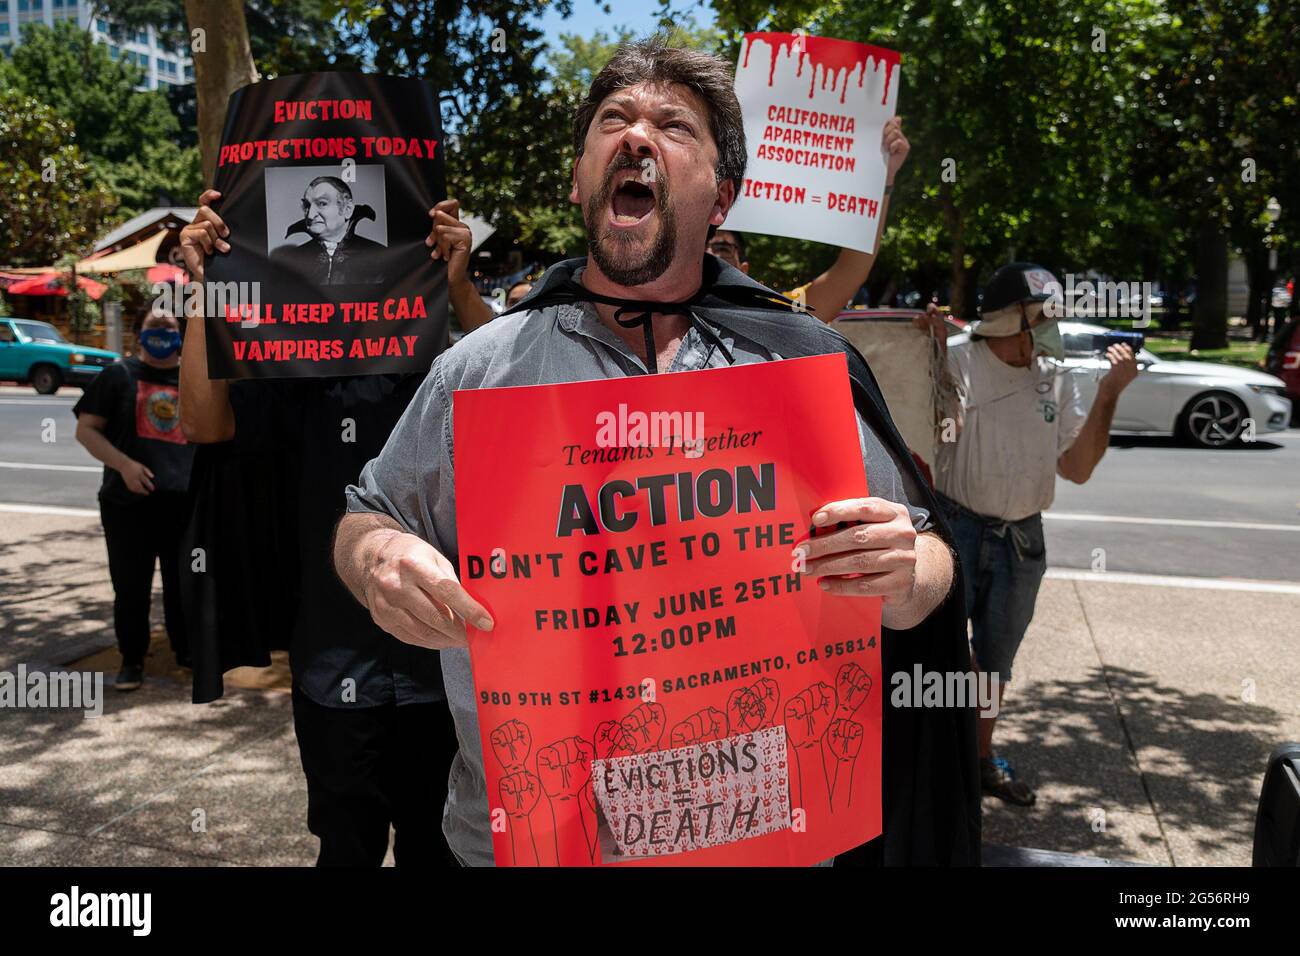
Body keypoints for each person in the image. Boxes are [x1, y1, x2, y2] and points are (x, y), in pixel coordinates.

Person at [332, 36, 980, 867]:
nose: (637, 136)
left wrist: (905, 575)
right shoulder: (479, 370)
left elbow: (928, 555)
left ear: (722, 199)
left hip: (762, 841)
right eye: (614, 119)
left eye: (674, 125)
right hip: (533, 845)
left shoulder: (799, 367)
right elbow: (366, 515)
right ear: (579, 180)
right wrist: (379, 557)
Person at [177, 193, 492, 866]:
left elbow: (511, 394)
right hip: (333, 660)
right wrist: (204, 291)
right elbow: (203, 425)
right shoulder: (289, 374)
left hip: (441, 658)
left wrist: (458, 283)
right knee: (344, 847)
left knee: (437, 848)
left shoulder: (428, 369)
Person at [916, 262, 1140, 805]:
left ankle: (979, 759)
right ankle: (931, 763)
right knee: (938, 654)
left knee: (995, 662)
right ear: (1008, 318)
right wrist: (924, 346)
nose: (1051, 324)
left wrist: (1111, 392)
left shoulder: (1055, 375)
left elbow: (1078, 468)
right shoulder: (958, 358)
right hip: (957, 529)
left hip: (1023, 541)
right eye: (1041, 312)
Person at [74, 309, 195, 691]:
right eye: (153, 326)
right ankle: (132, 659)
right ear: (138, 333)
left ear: (181, 334)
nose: (161, 332)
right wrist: (123, 465)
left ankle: (187, 654)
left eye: (169, 327)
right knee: (130, 587)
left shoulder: (195, 379)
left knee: (184, 586)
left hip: (183, 507)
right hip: (126, 507)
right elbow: (86, 430)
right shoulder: (117, 376)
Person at [705, 116, 910, 322]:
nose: (710, 253)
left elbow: (849, 273)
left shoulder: (774, 315)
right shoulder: (671, 312)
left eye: (723, 248)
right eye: (702, 245)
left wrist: (881, 178)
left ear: (744, 270)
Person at [271, 176, 387, 285]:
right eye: (307, 205)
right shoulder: (290, 261)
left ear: (347, 209)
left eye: (322, 203)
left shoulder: (381, 257)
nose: (310, 215)